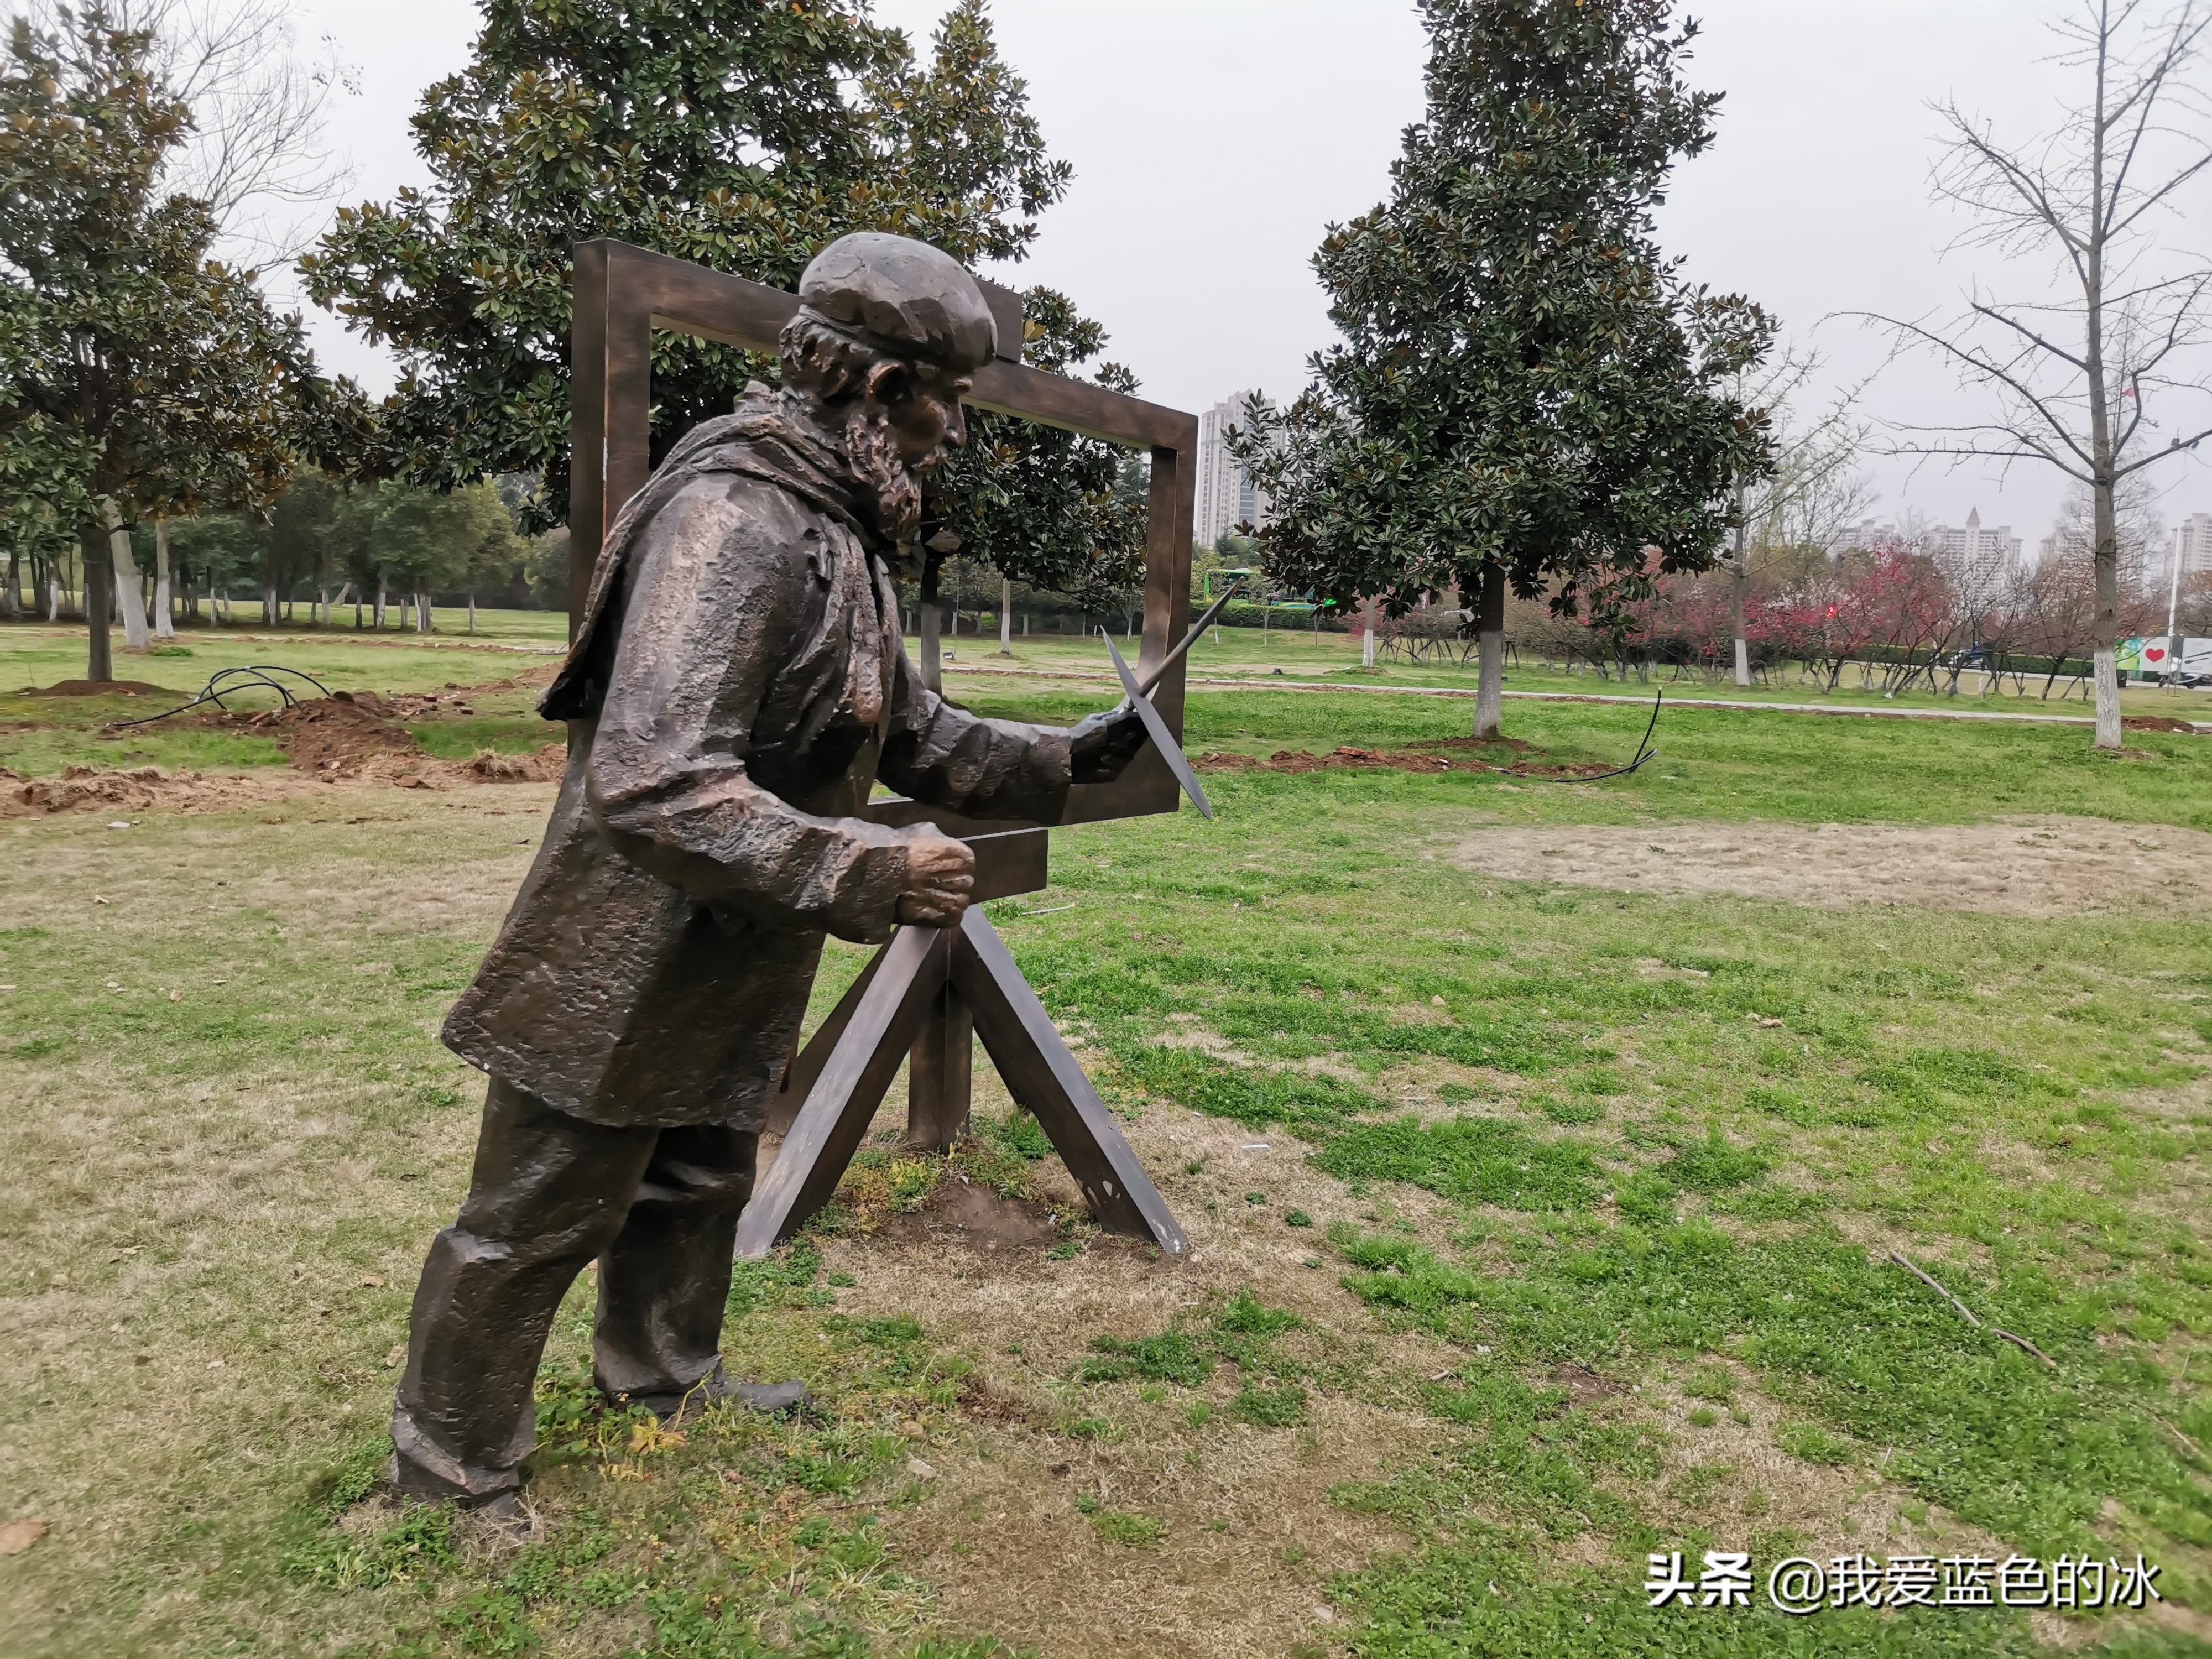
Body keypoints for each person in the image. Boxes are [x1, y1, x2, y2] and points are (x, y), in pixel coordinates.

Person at [388, 232, 1149, 1510]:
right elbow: (653, 779)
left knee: (697, 1172)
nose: (949, 436)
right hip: (625, 944)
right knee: (535, 1217)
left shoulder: (833, 534)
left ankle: (660, 1373)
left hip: (738, 924)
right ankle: (447, 1460)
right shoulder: (734, 519)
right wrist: (864, 866)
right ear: (872, 386)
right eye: (944, 404)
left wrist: (1067, 760)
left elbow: (906, 729)